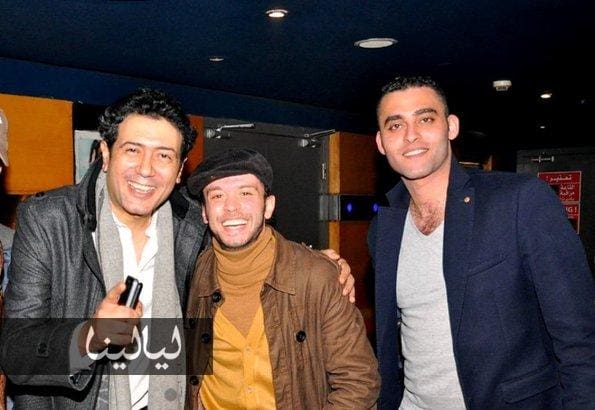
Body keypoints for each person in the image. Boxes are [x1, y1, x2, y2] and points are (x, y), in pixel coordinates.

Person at [0, 88, 356, 409]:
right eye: (132, 150)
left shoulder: (191, 223)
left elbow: (245, 236)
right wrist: (90, 336)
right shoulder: (50, 219)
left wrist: (315, 262)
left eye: (164, 156)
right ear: (105, 154)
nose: (146, 170)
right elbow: (15, 351)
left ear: (180, 170)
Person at [369, 75, 595, 409]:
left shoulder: (520, 200)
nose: (410, 135)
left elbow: (580, 339)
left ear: (451, 127)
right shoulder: (383, 229)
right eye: (395, 125)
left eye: (425, 119)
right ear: (381, 142)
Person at [184, 148, 380, 409]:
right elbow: (165, 366)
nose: (231, 206)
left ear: (268, 206)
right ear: (205, 213)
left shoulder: (316, 276)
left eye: (245, 193)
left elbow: (359, 382)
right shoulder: (190, 273)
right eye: (217, 195)